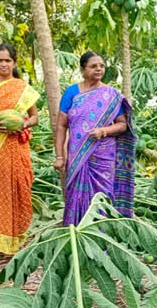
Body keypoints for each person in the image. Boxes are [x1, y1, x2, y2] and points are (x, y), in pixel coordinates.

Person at [53, 51, 136, 225]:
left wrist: (103, 131)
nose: (98, 69)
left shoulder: (111, 95)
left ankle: (101, 237)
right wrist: (60, 156)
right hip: (77, 156)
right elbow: (61, 125)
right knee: (75, 194)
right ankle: (75, 232)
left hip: (104, 155)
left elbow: (122, 125)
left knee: (102, 195)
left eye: (102, 66)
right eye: (93, 66)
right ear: (83, 70)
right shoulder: (71, 92)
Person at [0, 44, 39, 255]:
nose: (3, 64)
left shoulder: (21, 87)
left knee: (20, 187)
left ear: (14, 62)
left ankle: (18, 238)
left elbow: (35, 117)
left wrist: (23, 124)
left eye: (7, 60)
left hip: (17, 144)